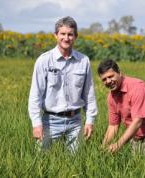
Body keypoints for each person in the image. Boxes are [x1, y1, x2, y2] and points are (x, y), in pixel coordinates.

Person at [28, 16, 98, 152]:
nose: (66, 38)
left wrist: (90, 121)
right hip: (50, 121)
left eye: (70, 34)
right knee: (42, 164)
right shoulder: (44, 61)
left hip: (75, 122)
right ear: (56, 35)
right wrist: (36, 123)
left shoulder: (84, 61)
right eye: (63, 34)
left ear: (75, 36)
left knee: (74, 165)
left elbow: (89, 94)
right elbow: (35, 95)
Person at [98, 59, 145, 165]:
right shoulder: (111, 97)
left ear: (119, 72)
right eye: (104, 79)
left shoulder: (136, 87)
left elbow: (138, 121)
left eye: (111, 76)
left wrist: (118, 145)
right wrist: (102, 148)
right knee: (140, 169)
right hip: (137, 136)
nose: (108, 81)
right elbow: (113, 126)